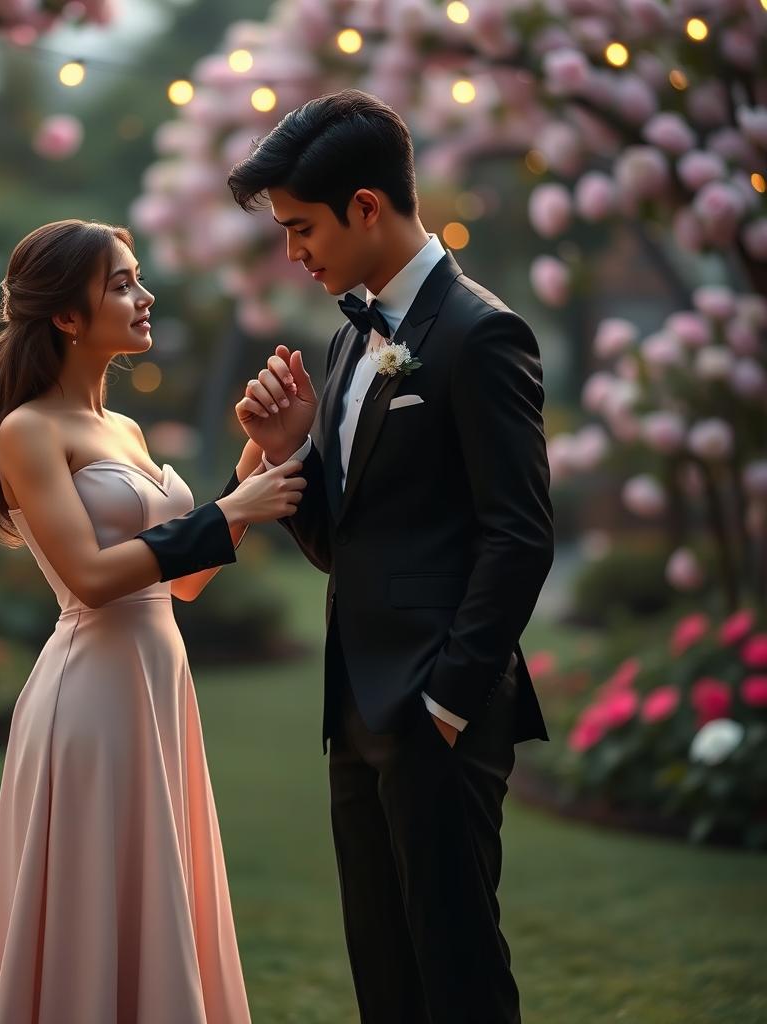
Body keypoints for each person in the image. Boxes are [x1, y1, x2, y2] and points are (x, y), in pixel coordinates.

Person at [224, 90, 555, 1023]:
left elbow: (521, 534)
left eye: (301, 227)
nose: (294, 252)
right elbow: (345, 542)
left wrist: (448, 701)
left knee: (456, 975)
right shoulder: (347, 339)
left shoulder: (483, 334)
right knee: (384, 973)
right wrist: (293, 451)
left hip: (436, 713)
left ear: (366, 206)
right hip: (354, 708)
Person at [0, 218, 304, 1024]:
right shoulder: (27, 430)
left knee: (153, 898)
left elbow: (187, 584)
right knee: (86, 904)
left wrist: (252, 464)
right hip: (91, 698)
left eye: (137, 277)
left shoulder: (127, 430)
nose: (144, 297)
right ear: (67, 316)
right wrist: (227, 511)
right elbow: (91, 577)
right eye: (121, 283)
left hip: (158, 685)